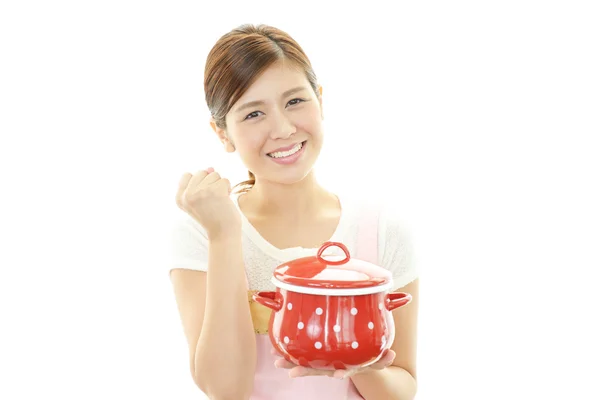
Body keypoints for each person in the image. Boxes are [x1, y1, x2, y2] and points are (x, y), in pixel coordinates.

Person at [168, 23, 419, 400]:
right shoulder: (203, 230)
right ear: (223, 133)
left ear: (320, 99)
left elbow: (403, 387)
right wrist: (223, 235)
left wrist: (361, 366)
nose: (283, 129)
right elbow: (226, 389)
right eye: (253, 114)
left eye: (295, 101)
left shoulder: (381, 230)